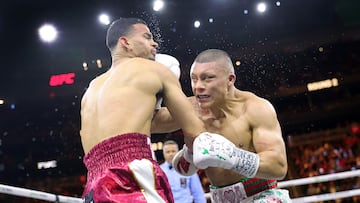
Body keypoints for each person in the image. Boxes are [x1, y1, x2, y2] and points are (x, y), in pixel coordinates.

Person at [79, 17, 210, 203]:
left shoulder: (91, 89)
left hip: (93, 186)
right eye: (147, 37)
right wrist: (189, 154)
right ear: (125, 42)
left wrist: (201, 103)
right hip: (131, 176)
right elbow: (195, 131)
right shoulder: (154, 69)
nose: (154, 42)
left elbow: (150, 122)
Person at [151, 49, 292, 202]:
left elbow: (278, 167)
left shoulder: (255, 108)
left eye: (207, 78)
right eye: (194, 79)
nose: (198, 86)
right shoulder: (191, 110)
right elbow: (150, 123)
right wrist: (154, 88)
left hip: (262, 197)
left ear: (230, 79)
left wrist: (231, 156)